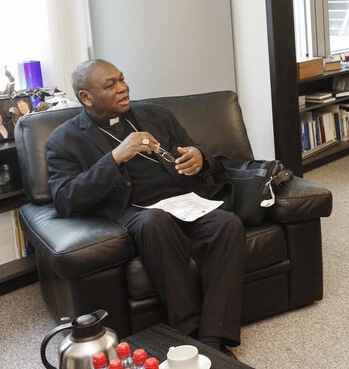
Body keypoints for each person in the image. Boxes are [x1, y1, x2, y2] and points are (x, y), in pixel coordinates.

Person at [46, 59, 245, 354]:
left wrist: (199, 157)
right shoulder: (63, 139)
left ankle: (212, 340)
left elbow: (197, 151)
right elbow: (66, 198)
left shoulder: (156, 115)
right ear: (86, 97)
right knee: (154, 222)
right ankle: (187, 330)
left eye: (122, 79)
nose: (123, 88)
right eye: (110, 85)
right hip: (136, 212)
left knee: (228, 224)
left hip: (185, 201)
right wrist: (115, 157)